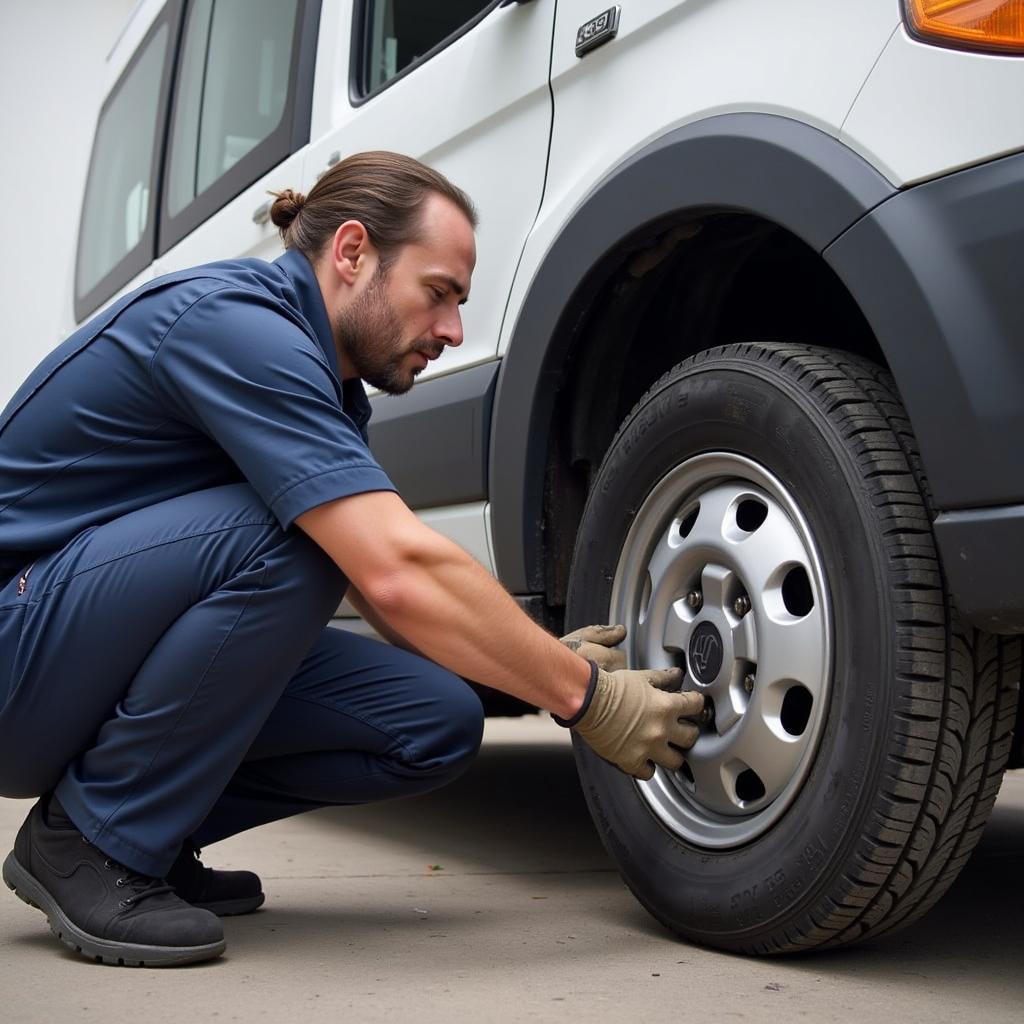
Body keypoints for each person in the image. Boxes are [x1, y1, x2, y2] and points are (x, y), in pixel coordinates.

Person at [0, 152, 703, 967]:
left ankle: (148, 831)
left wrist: (532, 661)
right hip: (21, 650)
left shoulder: (331, 389)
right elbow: (392, 571)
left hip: (82, 645)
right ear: (352, 253)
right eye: (437, 293)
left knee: (433, 724)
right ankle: (92, 842)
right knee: (294, 534)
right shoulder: (236, 325)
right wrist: (586, 698)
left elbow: (383, 592)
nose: (452, 331)